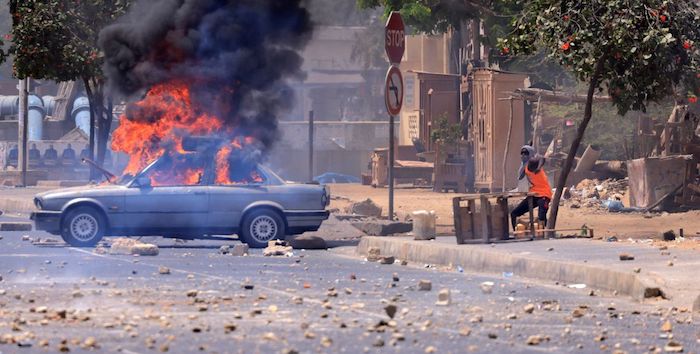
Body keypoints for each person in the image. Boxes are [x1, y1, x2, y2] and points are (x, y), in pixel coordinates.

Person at [510, 145, 552, 231]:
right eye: (522, 153)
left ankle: (545, 234)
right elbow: (520, 177)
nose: (523, 155)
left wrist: (538, 167)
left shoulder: (533, 161)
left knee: (541, 216)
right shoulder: (525, 166)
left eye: (525, 153)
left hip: (544, 193)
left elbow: (541, 158)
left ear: (530, 154)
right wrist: (523, 164)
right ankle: (516, 233)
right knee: (514, 213)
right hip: (534, 193)